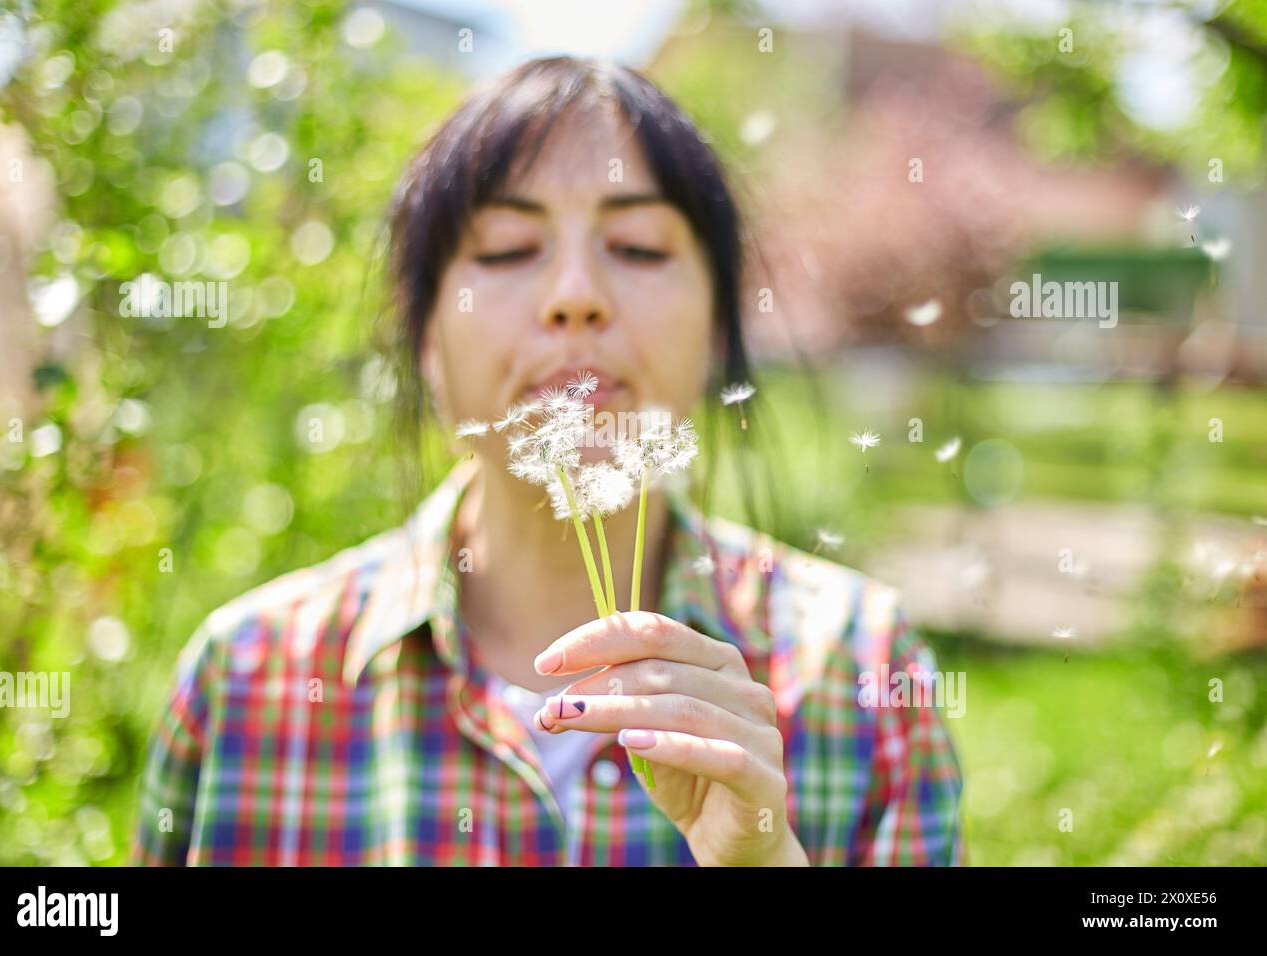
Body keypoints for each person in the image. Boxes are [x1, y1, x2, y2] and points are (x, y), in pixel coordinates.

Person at [133, 55, 963, 867]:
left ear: (718, 325)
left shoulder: (864, 673)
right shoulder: (242, 682)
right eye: (505, 249)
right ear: (425, 338)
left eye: (637, 247)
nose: (575, 292)